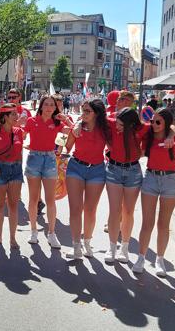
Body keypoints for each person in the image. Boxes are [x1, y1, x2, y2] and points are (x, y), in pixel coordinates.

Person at [133, 108, 175, 276]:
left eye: (158, 122)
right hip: (150, 177)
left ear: (167, 124)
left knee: (163, 224)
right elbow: (138, 145)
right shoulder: (148, 136)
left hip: (170, 180)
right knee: (147, 223)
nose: (154, 125)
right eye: (152, 121)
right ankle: (141, 257)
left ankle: (159, 259)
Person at [64, 99, 111, 259]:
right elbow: (67, 147)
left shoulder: (106, 127)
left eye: (87, 111)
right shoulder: (77, 127)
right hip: (76, 168)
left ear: (96, 113)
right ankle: (76, 245)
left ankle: (87, 242)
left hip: (97, 170)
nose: (83, 114)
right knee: (75, 209)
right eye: (82, 110)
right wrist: (60, 150)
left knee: (90, 210)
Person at [24, 94, 72, 247]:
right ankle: (33, 231)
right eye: (46, 104)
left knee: (50, 199)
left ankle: (52, 233)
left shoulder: (57, 123)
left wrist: (66, 120)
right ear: (41, 106)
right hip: (34, 159)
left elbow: (69, 132)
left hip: (50, 159)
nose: (49, 107)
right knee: (33, 198)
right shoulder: (32, 121)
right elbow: (21, 134)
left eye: (52, 105)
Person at [104, 107, 147, 263]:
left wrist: (170, 134)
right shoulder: (112, 123)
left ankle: (124, 248)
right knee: (114, 210)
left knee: (128, 212)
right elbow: (92, 118)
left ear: (131, 125)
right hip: (113, 170)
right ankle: (112, 247)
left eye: (121, 125)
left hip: (133, 171)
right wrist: (77, 125)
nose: (117, 127)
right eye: (117, 123)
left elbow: (169, 127)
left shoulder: (141, 128)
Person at [0, 104, 24, 247]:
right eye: (13, 114)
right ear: (5, 117)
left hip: (16, 171)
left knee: (13, 206)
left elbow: (20, 153)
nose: (16, 116)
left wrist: (20, 167)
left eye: (16, 113)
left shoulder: (19, 132)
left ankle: (13, 238)